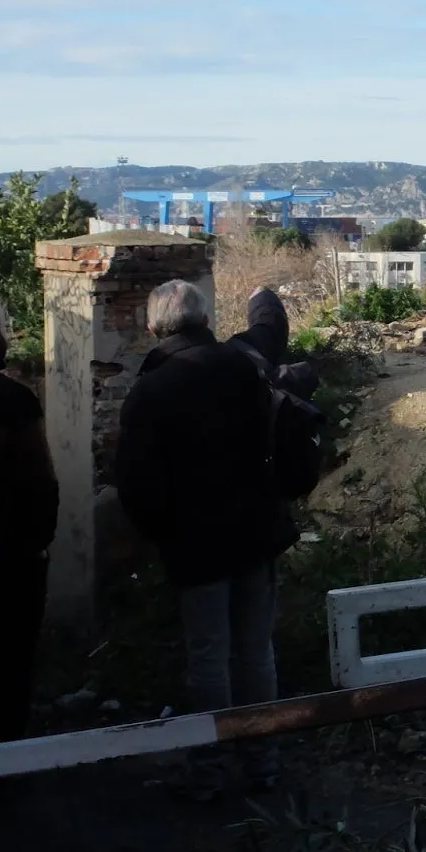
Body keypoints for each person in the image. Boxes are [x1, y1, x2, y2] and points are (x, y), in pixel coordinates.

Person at [115, 280, 297, 798]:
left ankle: (212, 769)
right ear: (205, 319)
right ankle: (263, 761)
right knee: (256, 652)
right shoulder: (243, 367)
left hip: (195, 544)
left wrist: (160, 534)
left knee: (208, 657)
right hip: (257, 533)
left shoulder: (151, 391)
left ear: (153, 327)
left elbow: (137, 484)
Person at [0, 295, 59, 782]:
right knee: (5, 664)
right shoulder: (11, 400)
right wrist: (37, 542)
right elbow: (38, 482)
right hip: (4, 560)